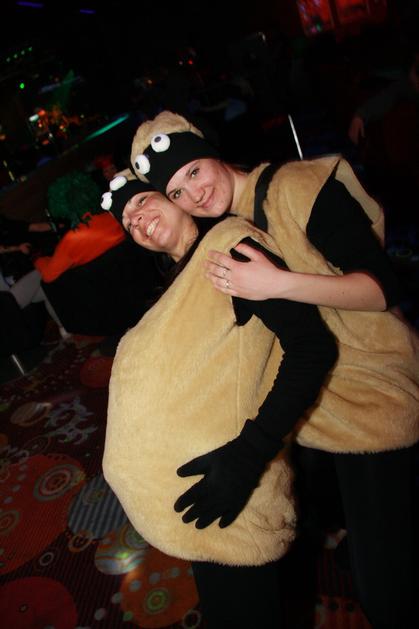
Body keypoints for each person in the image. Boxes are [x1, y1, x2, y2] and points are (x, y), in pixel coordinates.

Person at [130, 110, 419, 629]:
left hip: (375, 397)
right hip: (324, 410)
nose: (193, 194)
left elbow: (382, 288)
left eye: (194, 172)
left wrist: (276, 284)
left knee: (385, 591)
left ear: (211, 152)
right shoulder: (232, 222)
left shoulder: (297, 185)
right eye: (176, 192)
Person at [101, 174, 338, 628]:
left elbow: (311, 347)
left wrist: (248, 456)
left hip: (231, 485)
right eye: (128, 222)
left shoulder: (230, 250)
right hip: (199, 496)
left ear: (177, 199)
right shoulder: (183, 276)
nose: (137, 220)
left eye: (143, 201)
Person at [34, 170, 126, 283]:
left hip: (100, 286)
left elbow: (48, 276)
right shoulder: (114, 216)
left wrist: (38, 260)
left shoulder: (73, 239)